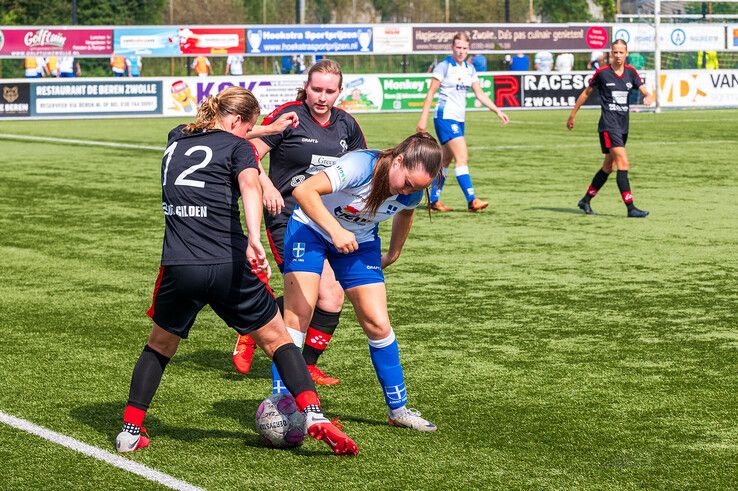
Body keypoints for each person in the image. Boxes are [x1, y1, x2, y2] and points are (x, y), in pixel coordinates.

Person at [115, 86, 358, 456]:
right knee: (278, 340)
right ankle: (313, 414)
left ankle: (130, 431)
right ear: (236, 122)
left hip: (179, 267)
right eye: (249, 127)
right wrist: (254, 238)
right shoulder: (239, 148)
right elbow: (249, 184)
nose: (249, 134)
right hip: (228, 265)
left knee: (158, 347)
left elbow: (214, 133)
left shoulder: (177, 135)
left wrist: (268, 129)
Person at [274, 132, 443, 432]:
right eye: (406, 183)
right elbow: (304, 192)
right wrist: (335, 232)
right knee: (299, 315)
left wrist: (394, 252)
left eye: (416, 188)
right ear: (398, 160)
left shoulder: (412, 190)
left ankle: (398, 409)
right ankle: (282, 405)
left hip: (360, 242)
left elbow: (405, 212)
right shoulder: (360, 165)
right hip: (310, 230)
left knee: (378, 323)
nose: (407, 192)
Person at [232, 60, 367, 386]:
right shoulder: (289, 115)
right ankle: (254, 329)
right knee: (305, 298)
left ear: (339, 92)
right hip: (287, 217)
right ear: (306, 87)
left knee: (332, 298)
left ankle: (306, 364)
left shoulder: (347, 125)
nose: (321, 97)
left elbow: (361, 170)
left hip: (326, 219)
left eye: (329, 91)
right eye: (316, 89)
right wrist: (268, 187)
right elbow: (248, 151)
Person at [416, 32, 509, 213]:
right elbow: (430, 94)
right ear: (452, 47)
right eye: (458, 47)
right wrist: (423, 119)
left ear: (469, 49)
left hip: (459, 119)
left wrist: (498, 111)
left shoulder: (469, 68)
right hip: (445, 117)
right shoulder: (444, 66)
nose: (461, 51)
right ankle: (471, 200)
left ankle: (433, 200)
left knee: (445, 161)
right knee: (462, 157)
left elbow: (480, 94)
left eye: (464, 48)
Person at [567, 39, 653, 218]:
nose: (618, 55)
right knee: (623, 163)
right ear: (611, 53)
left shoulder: (631, 73)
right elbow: (586, 93)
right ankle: (631, 208)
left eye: (622, 52)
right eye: (615, 52)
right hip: (608, 125)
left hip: (623, 126)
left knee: (608, 166)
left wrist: (648, 96)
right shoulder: (603, 73)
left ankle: (585, 200)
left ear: (626, 53)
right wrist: (573, 114)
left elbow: (644, 90)